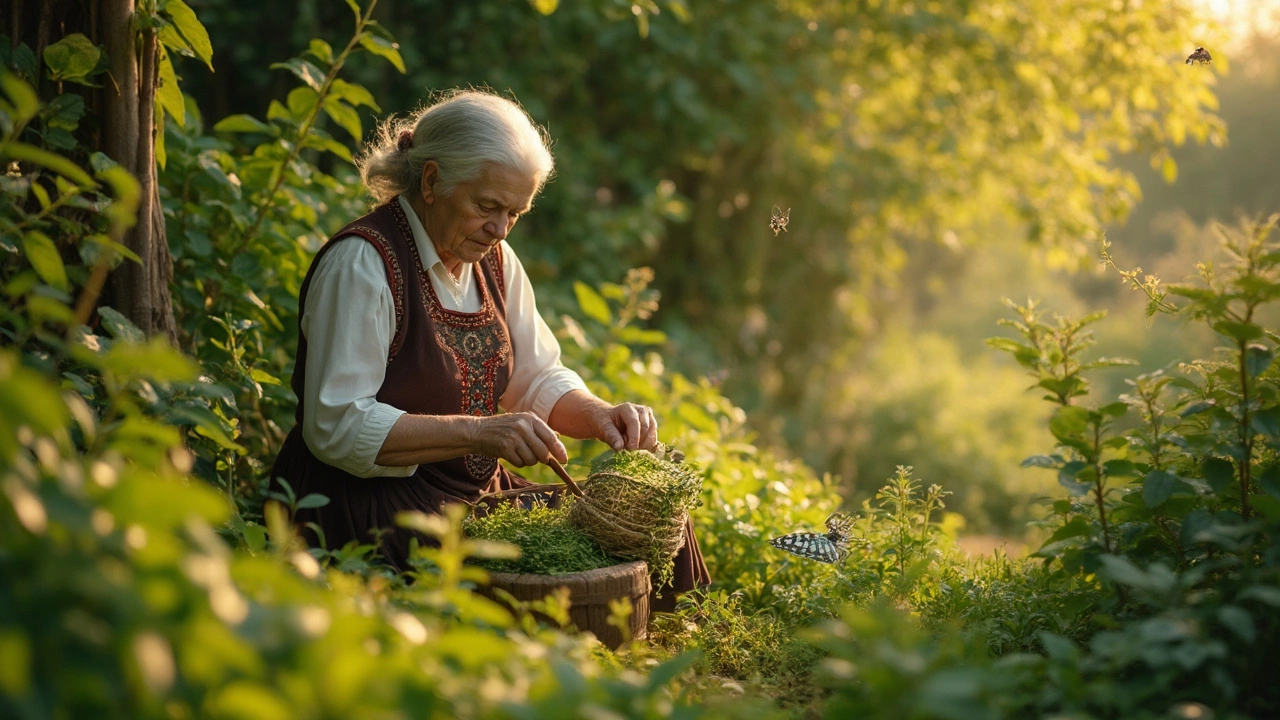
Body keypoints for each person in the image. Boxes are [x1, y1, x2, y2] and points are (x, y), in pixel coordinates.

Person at [268, 89, 710, 605]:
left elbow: (536, 378)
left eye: (515, 213)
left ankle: (680, 643)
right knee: (506, 581)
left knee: (638, 524)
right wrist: (480, 434)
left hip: (470, 496)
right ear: (431, 181)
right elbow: (336, 425)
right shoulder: (363, 265)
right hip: (368, 502)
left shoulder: (494, 260)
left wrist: (599, 416)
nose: (500, 230)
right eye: (487, 207)